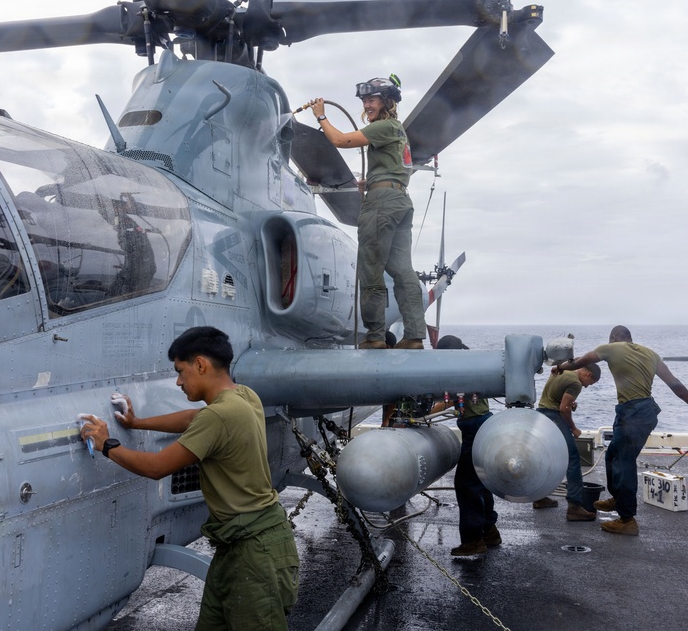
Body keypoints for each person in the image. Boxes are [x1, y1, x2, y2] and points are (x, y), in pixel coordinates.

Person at [80, 326, 299, 629]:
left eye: (181, 371)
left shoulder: (219, 416)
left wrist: (107, 445)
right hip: (241, 544)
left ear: (200, 364)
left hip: (254, 552)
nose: (179, 381)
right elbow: (191, 419)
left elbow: (156, 467)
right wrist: (137, 422)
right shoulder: (244, 398)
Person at [309, 75, 426, 350]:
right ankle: (414, 336)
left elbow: (340, 140)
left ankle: (374, 336)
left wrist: (321, 116)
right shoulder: (398, 131)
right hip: (400, 199)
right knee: (401, 269)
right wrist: (371, 182)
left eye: (371, 99)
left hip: (382, 203)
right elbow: (398, 169)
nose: (366, 105)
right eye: (364, 100)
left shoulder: (383, 126)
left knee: (371, 269)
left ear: (386, 102)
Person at [552, 326, 688, 536]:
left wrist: (560, 366)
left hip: (633, 413)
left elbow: (580, 362)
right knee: (613, 454)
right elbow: (674, 383)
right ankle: (618, 498)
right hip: (644, 411)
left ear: (613, 337)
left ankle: (627, 519)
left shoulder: (611, 348)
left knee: (624, 462)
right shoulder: (651, 354)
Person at [432, 334, 501, 557]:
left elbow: (450, 401)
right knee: (481, 482)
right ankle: (490, 531)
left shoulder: (459, 371)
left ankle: (473, 540)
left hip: (475, 428)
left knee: (466, 486)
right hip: (485, 424)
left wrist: (423, 411)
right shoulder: (471, 366)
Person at [534, 363, 602, 521]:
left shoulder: (564, 369)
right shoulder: (576, 383)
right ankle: (574, 506)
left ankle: (539, 497)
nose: (586, 387)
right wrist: (573, 428)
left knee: (546, 457)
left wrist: (569, 403)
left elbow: (557, 396)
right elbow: (564, 409)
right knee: (572, 458)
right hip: (553, 416)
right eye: (590, 384)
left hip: (541, 415)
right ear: (588, 375)